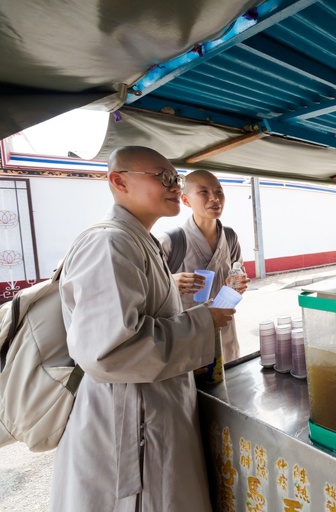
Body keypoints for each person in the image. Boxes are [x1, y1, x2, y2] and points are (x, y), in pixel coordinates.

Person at [52, 146, 235, 511]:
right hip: (128, 422)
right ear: (119, 181)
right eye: (163, 177)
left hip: (156, 407)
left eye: (176, 178)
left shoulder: (141, 240)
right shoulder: (109, 243)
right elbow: (110, 351)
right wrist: (204, 320)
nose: (173, 186)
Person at [157, 170, 248, 363]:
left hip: (225, 334)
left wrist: (238, 285)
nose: (215, 198)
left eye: (219, 192)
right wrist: (170, 282)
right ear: (186, 200)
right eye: (204, 192)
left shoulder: (230, 237)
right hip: (188, 339)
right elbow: (149, 294)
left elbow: (238, 276)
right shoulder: (171, 241)